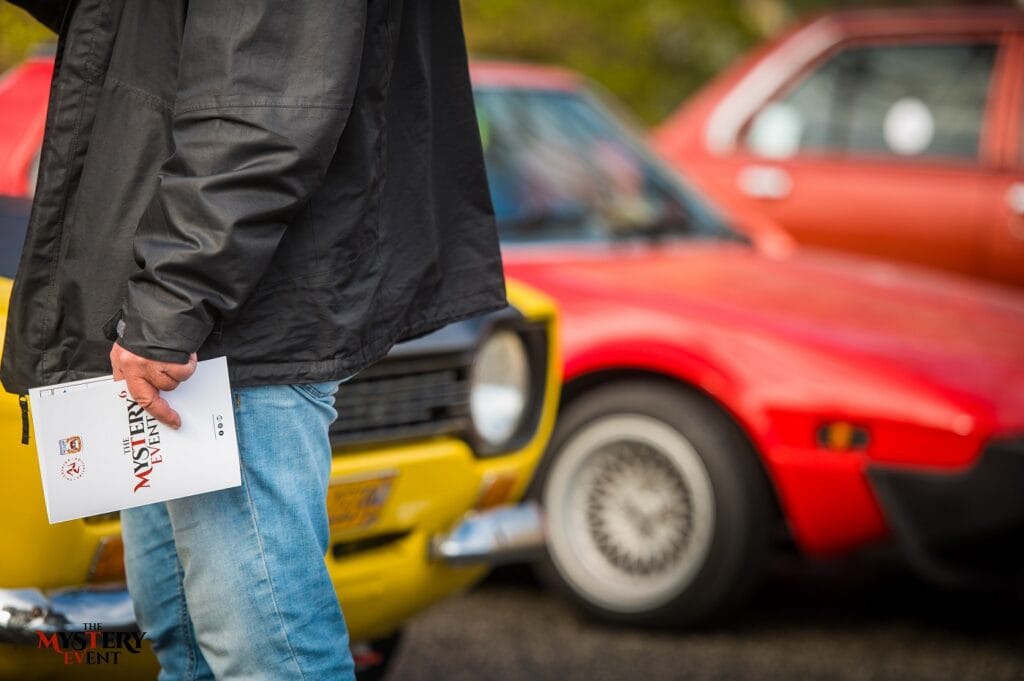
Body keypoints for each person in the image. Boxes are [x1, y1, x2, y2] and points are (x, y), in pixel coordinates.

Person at [2, 1, 506, 679]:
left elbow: (262, 106)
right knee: (185, 642)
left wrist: (172, 301)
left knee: (268, 657)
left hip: (233, 327)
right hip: (192, 304)